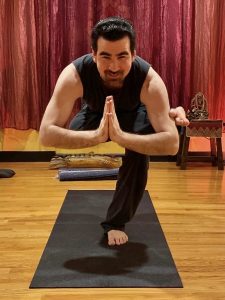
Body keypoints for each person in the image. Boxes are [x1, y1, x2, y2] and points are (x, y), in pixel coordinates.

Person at [40, 16, 189, 246]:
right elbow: (46, 134)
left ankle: (115, 222)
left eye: (122, 56)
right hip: (95, 112)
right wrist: (97, 135)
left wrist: (121, 137)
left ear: (134, 55)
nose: (114, 67)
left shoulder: (149, 80)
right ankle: (167, 113)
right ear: (93, 55)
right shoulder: (75, 75)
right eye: (105, 57)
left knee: (140, 150)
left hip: (133, 113)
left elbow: (171, 145)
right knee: (73, 132)